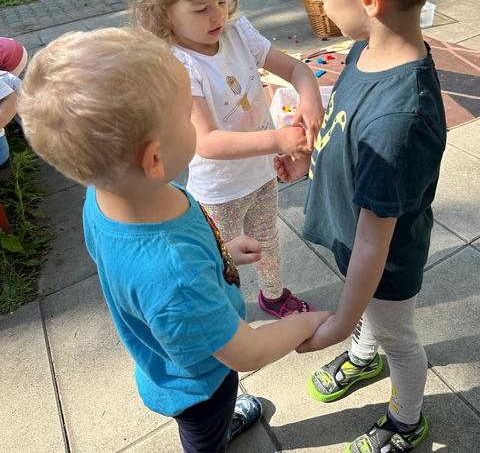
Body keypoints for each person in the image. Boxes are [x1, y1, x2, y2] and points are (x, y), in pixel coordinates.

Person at [17, 28, 331, 452]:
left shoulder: (107, 197)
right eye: (187, 116)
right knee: (205, 436)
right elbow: (249, 352)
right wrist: (303, 324)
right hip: (200, 387)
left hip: (180, 348)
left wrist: (221, 253)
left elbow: (162, 259)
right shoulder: (176, 275)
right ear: (154, 158)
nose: (197, 122)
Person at [275, 0, 450, 453]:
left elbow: (376, 243)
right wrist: (310, 159)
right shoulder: (365, 48)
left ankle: (406, 419)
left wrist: (340, 321)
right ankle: (365, 350)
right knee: (371, 312)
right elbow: (346, 131)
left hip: (384, 261)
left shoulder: (399, 119)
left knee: (396, 334)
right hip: (357, 242)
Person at [133, 0, 325, 318]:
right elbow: (206, 141)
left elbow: (296, 69)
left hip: (261, 174)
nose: (217, 15)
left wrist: (310, 97)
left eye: (221, 1)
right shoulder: (180, 65)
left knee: (268, 240)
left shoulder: (238, 34)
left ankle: (273, 296)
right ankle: (222, 313)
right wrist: (277, 139)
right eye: (201, 8)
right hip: (219, 191)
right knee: (221, 257)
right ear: (163, 12)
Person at [0, 37, 28, 175]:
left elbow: (10, 102)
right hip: (11, 48)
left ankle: (29, 132)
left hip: (12, 59)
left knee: (25, 110)